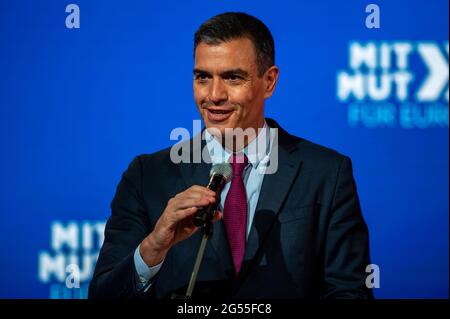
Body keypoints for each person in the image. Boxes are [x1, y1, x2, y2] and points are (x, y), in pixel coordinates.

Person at [88, 12, 373, 299]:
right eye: (203, 77)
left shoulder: (326, 173)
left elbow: (350, 293)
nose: (214, 95)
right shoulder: (146, 175)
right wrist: (153, 248)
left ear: (270, 81)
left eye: (232, 77)